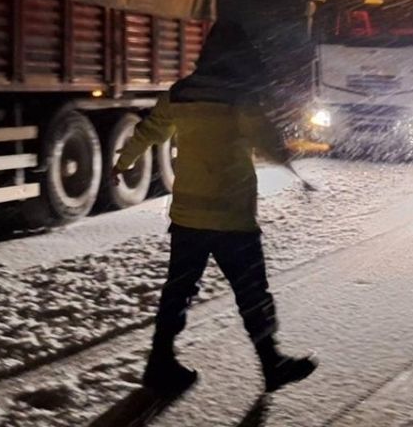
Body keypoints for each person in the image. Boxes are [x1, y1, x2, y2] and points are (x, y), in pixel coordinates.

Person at [113, 20, 317, 394]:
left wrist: (123, 162)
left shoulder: (182, 93)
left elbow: (149, 131)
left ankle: (159, 363)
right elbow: (268, 142)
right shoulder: (239, 97)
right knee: (252, 292)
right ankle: (271, 362)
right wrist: (291, 166)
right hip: (231, 217)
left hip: (188, 216)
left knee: (177, 292)